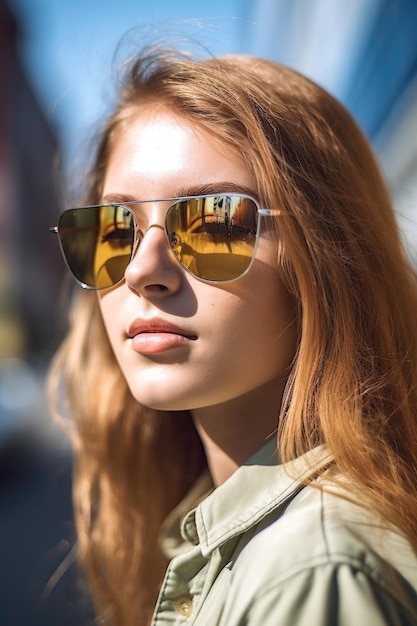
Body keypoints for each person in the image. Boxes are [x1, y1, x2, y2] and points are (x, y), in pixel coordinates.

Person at [48, 44, 417, 626]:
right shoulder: (227, 535)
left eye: (213, 222)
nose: (142, 271)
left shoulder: (314, 573)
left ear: (324, 256)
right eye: (114, 229)